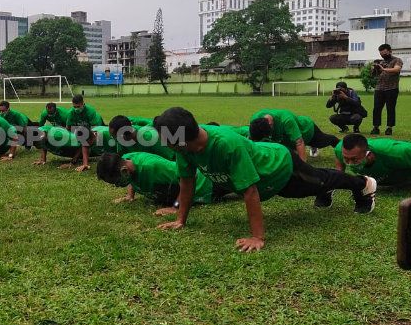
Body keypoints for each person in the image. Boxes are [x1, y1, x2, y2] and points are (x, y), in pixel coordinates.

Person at [154, 107, 377, 252]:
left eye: (168, 140)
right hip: (267, 180)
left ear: (181, 139)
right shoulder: (183, 150)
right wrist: (180, 218)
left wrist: (257, 237)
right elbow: (187, 183)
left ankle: (363, 184)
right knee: (312, 187)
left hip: (280, 165)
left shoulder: (226, 145)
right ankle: (327, 189)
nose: (165, 144)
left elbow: (250, 192)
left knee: (319, 180)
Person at [96, 152, 227, 216]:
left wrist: (176, 207)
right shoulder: (127, 159)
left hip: (205, 185)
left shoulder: (153, 167)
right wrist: (130, 196)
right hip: (180, 188)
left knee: (236, 190)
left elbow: (187, 177)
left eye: (116, 182)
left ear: (124, 171)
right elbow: (130, 177)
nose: (117, 186)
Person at [249, 108, 338, 160]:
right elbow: (252, 140)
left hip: (307, 131)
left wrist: (304, 167)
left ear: (271, 126)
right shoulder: (255, 121)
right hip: (286, 139)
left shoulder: (286, 120)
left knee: (323, 141)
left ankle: (338, 143)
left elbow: (299, 142)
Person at [334, 133, 411, 186]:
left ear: (369, 154)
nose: (350, 163)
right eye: (346, 159)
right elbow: (338, 156)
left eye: (354, 159)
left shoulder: (395, 152)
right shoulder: (341, 150)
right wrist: (339, 176)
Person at [32, 124, 111, 167]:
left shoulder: (59, 137)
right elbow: (84, 145)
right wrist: (85, 164)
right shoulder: (41, 131)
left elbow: (122, 149)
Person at [108, 115, 176, 160]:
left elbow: (172, 158)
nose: (113, 139)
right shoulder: (121, 142)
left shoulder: (150, 137)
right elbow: (123, 160)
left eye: (115, 137)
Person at [65, 94, 105, 172]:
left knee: (97, 142)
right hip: (82, 130)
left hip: (96, 127)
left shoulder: (90, 111)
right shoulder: (71, 113)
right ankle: (84, 162)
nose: (76, 109)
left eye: (78, 106)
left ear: (83, 103)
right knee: (83, 142)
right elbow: (68, 128)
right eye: (74, 107)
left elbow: (96, 129)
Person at [371, 44, 403, 135]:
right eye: (381, 54)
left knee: (390, 108)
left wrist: (384, 69)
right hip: (379, 88)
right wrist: (374, 69)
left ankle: (389, 128)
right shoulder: (380, 62)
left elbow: (396, 69)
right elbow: (373, 75)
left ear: (390, 51)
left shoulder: (397, 60)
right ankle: (376, 127)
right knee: (376, 108)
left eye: (385, 53)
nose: (383, 55)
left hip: (392, 88)